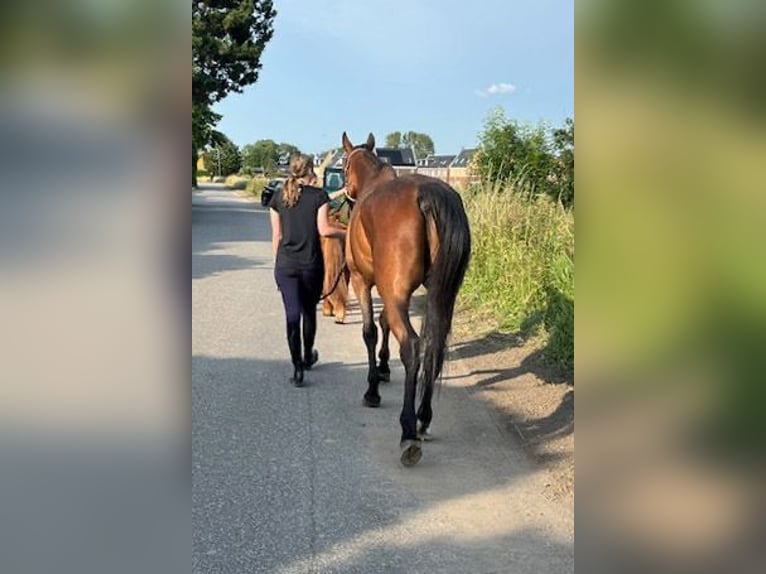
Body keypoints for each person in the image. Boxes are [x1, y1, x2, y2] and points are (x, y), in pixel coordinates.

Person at [269, 154, 346, 386]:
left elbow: (277, 236)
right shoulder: (318, 196)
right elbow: (324, 229)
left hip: (285, 266)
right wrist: (347, 233)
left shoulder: (278, 197)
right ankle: (307, 355)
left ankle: (297, 369)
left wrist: (279, 264)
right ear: (310, 170)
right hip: (310, 265)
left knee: (291, 316)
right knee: (308, 312)